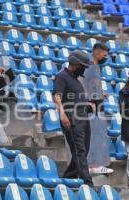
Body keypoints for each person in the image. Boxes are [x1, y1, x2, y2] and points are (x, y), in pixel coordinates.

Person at [53, 50, 93, 187]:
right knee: (79, 150)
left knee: (84, 149)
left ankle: (69, 177)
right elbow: (57, 97)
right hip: (71, 116)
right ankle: (88, 182)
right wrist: (62, 114)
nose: (83, 69)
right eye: (82, 66)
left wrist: (86, 104)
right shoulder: (62, 76)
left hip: (82, 115)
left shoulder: (75, 79)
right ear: (75, 64)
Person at [83, 43, 114, 175]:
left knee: (97, 133)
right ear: (97, 53)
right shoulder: (89, 66)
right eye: (104, 55)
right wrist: (89, 100)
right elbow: (84, 85)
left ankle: (93, 164)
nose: (105, 57)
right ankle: (94, 165)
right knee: (94, 134)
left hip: (97, 101)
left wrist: (102, 94)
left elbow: (94, 86)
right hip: (92, 103)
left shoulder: (95, 67)